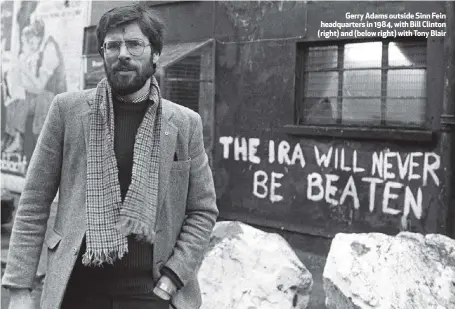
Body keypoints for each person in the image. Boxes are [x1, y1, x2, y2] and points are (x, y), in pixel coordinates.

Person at [2, 4, 218, 309]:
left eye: (134, 44)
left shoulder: (184, 124)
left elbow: (203, 211)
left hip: (150, 293)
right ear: (103, 53)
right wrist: (19, 289)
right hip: (76, 290)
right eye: (113, 45)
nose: (123, 54)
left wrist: (171, 280)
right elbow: (34, 201)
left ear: (155, 53)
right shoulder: (67, 111)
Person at [2, 18, 67, 154]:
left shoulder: (49, 49)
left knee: (22, 99)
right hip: (43, 93)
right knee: (14, 100)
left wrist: (24, 69)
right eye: (28, 42)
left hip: (52, 96)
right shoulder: (41, 48)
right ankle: (13, 137)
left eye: (32, 41)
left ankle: (16, 138)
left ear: (38, 37)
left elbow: (39, 86)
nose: (31, 46)